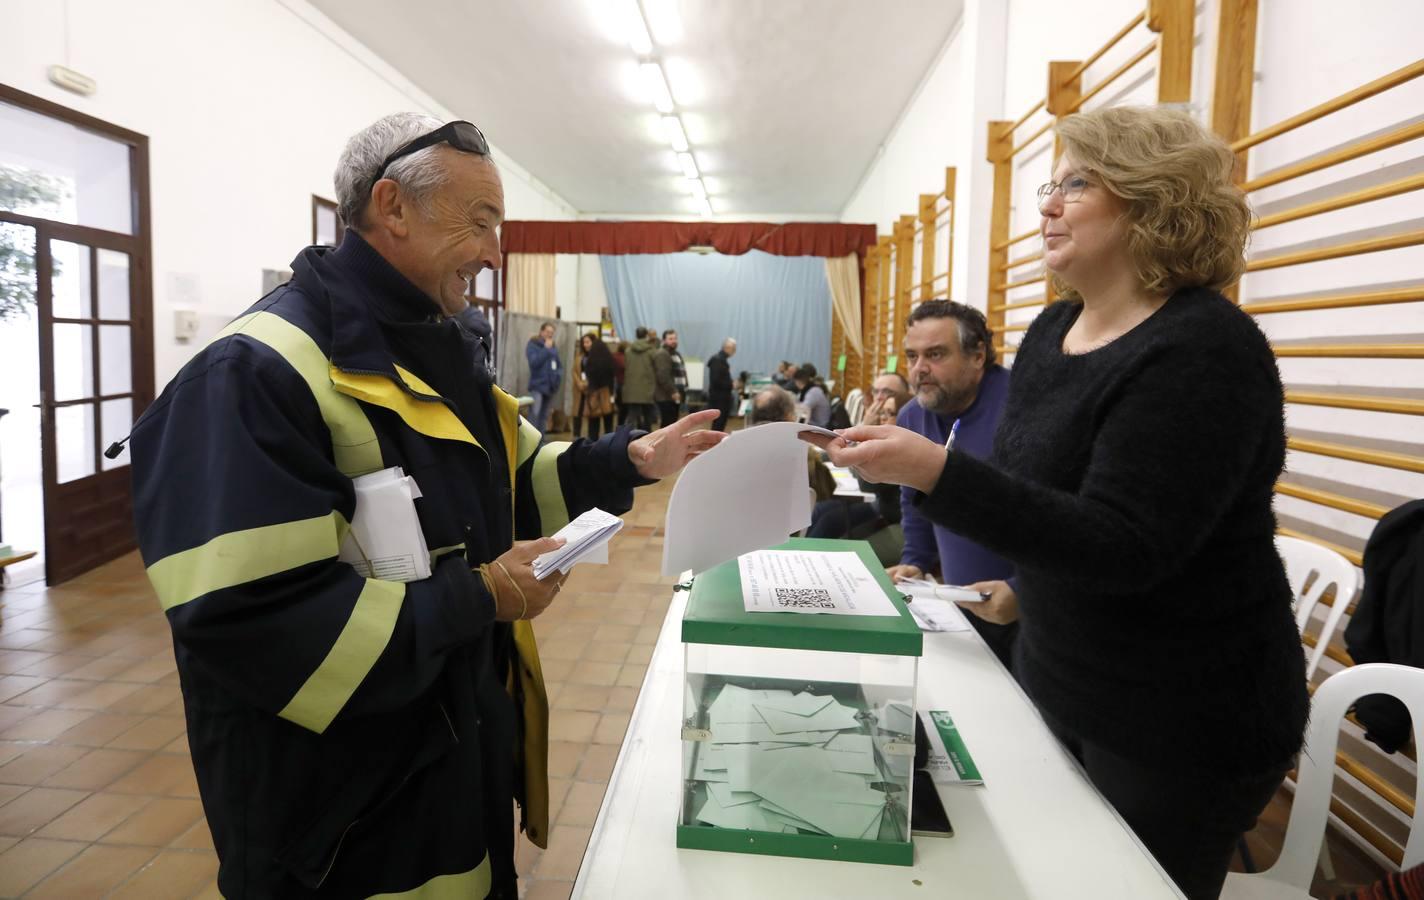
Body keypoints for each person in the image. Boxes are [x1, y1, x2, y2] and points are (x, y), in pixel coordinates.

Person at [128, 113, 726, 899]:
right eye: (479, 222)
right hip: (336, 811)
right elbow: (249, 621)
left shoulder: (438, 348)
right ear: (393, 208)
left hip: (445, 747)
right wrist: (478, 595)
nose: (493, 251)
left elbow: (507, 477)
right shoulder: (252, 376)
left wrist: (629, 458)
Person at [808, 106, 1308, 900]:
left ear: (1153, 202)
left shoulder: (1204, 350)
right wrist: (1024, 590)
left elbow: (1127, 543)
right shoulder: (1053, 330)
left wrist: (937, 472)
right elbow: (1047, 506)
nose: (1046, 204)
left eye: (1077, 184)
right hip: (1059, 677)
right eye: (1051, 183)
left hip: (1178, 721)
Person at [888, 300, 1018, 669]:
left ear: (978, 355)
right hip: (961, 609)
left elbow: (1064, 513)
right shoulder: (913, 415)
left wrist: (1025, 592)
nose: (919, 370)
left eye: (936, 354)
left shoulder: (1024, 406)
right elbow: (912, 495)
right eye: (912, 356)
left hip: (1032, 612)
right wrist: (916, 559)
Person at [806, 371, 912, 542]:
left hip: (890, 512)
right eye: (876, 391)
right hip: (879, 503)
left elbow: (866, 484)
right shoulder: (882, 423)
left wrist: (867, 432)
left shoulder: (902, 435)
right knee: (818, 511)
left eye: (887, 393)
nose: (879, 399)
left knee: (828, 522)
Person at [749, 386, 835, 503]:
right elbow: (827, 491)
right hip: (801, 519)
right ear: (789, 416)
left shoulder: (732, 451)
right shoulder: (804, 456)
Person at [577, 332, 616, 440]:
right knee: (608, 422)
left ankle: (592, 445)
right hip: (606, 393)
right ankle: (609, 443)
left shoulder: (590, 361)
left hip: (593, 393)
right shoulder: (608, 358)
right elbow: (612, 376)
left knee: (593, 423)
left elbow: (588, 377)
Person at [525, 321, 561, 435]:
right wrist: (545, 349)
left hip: (550, 387)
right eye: (547, 332)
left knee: (544, 417)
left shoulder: (553, 346)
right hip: (538, 386)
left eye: (552, 332)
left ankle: (541, 443)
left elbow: (558, 365)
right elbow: (534, 363)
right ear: (541, 331)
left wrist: (557, 379)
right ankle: (531, 443)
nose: (550, 334)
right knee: (534, 415)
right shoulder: (532, 344)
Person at [621, 326, 657, 431]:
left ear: (636, 335)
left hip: (631, 388)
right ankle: (646, 439)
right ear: (646, 335)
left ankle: (626, 440)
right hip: (647, 388)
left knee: (631, 417)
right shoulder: (652, 351)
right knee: (647, 417)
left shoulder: (628, 351)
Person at [654, 328, 687, 428]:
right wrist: (673, 391)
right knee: (667, 425)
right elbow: (663, 376)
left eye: (675, 338)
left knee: (673, 424)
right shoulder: (662, 353)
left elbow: (682, 373)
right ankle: (662, 444)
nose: (674, 341)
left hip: (676, 395)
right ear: (664, 340)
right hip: (666, 396)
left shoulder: (676, 354)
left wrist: (684, 389)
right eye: (670, 339)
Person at [707, 337, 737, 432]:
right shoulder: (717, 360)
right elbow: (716, 381)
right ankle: (715, 445)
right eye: (734, 348)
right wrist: (731, 385)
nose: (734, 351)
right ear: (727, 347)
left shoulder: (721, 359)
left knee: (720, 424)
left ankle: (717, 443)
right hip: (719, 398)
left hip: (722, 397)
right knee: (718, 424)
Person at [792, 363, 831, 428]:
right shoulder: (809, 389)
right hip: (816, 423)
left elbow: (803, 409)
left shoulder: (813, 392)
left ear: (797, 381)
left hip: (821, 427)